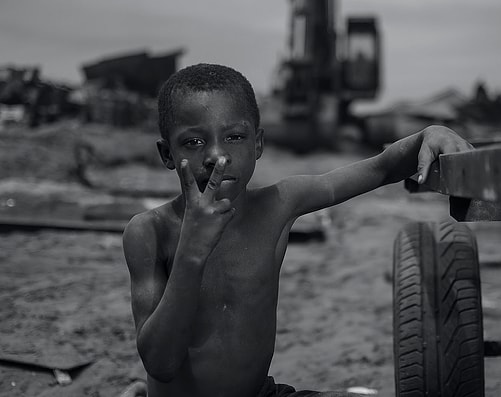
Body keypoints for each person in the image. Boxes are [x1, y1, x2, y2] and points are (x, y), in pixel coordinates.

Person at [121, 63, 473, 397]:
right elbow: (160, 363)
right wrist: (191, 255)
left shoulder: (278, 204)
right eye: (193, 142)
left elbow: (379, 169)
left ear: (257, 144)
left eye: (234, 137)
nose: (216, 155)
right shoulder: (149, 232)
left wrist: (431, 134)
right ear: (167, 154)